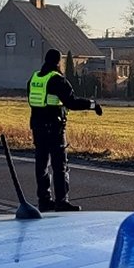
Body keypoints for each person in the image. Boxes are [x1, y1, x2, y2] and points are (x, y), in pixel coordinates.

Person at [29, 48, 103, 212]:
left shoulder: (34, 79)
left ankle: (44, 200)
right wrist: (92, 105)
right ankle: (62, 201)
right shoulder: (57, 80)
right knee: (60, 166)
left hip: (37, 127)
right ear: (58, 62)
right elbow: (72, 102)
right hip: (54, 128)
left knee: (41, 165)